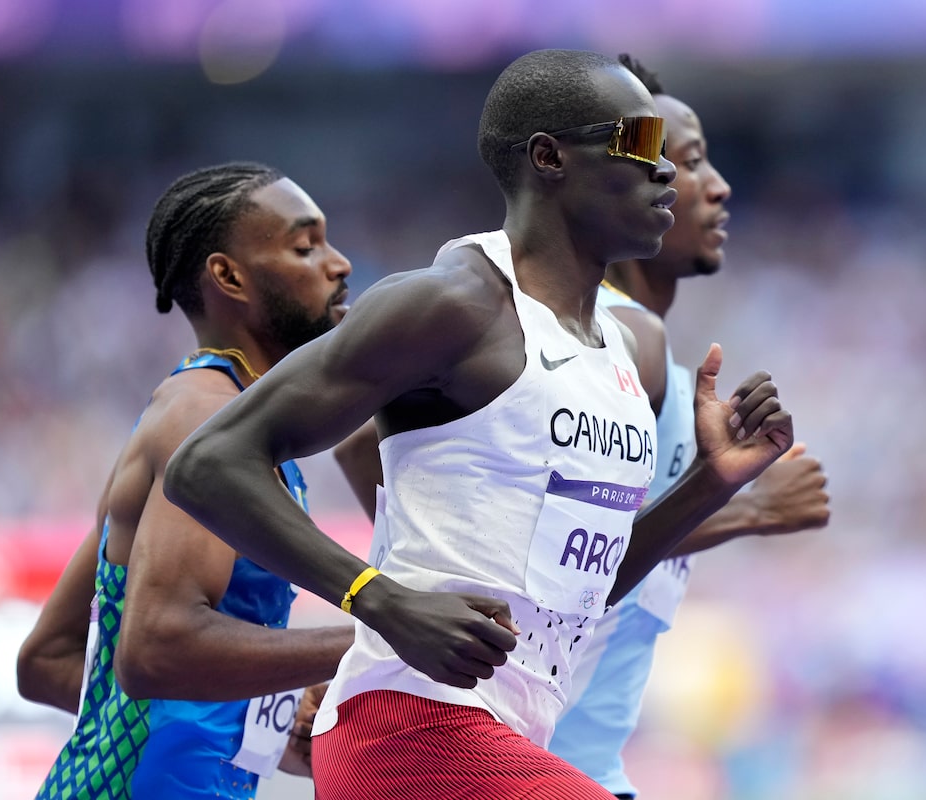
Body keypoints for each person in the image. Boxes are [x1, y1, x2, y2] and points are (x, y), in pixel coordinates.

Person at [163, 49, 795, 800]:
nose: (667, 172)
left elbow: (585, 586)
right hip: (409, 728)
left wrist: (709, 483)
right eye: (641, 143)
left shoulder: (621, 349)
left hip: (508, 733)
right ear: (549, 157)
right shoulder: (456, 303)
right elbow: (208, 464)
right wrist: (378, 598)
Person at [16, 162, 357, 799]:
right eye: (305, 246)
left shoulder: (223, 414)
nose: (338, 264)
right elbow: (158, 649)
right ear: (228, 276)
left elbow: (46, 662)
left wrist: (263, 725)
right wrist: (380, 635)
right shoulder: (203, 418)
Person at [545, 54, 831, 799]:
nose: (720, 186)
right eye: (693, 162)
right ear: (628, 188)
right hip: (518, 770)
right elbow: (560, 572)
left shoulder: (654, 363)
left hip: (584, 769)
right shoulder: (595, 341)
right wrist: (750, 509)